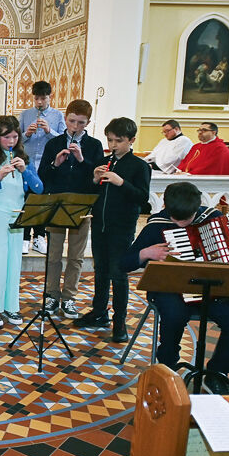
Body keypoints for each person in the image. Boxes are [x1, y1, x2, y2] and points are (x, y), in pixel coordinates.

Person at [121, 182, 229, 394]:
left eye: (187, 220)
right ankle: (168, 367)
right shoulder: (156, 226)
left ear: (198, 206)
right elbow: (123, 263)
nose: (181, 225)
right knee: (174, 316)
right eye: (176, 220)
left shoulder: (214, 219)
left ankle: (218, 373)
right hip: (170, 289)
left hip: (212, 289)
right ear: (166, 206)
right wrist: (146, 253)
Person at [74, 117, 152, 343]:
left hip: (122, 227)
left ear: (131, 140)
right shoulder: (105, 161)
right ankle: (99, 313)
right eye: (110, 140)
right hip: (100, 224)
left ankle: (120, 322)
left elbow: (142, 198)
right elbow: (93, 193)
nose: (114, 145)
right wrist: (94, 179)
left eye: (119, 140)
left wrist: (121, 183)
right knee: (101, 270)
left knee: (118, 275)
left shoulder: (139, 166)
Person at [37, 99, 104, 320]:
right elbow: (42, 175)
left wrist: (82, 160)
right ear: (65, 119)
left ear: (88, 123)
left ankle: (69, 297)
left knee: (76, 256)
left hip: (81, 205)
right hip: (57, 202)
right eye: (72, 121)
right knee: (54, 254)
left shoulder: (94, 146)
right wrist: (56, 163)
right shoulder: (54, 143)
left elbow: (98, 178)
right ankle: (52, 294)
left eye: (81, 123)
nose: (76, 126)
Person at [0, 116, 43, 328]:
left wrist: (26, 172)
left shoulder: (24, 158)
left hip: (17, 214)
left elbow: (39, 188)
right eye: (6, 137)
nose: (11, 141)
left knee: (14, 261)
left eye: (15, 136)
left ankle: (10, 305)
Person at [18, 81, 65, 254]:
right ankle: (24, 237)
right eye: (36, 98)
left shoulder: (58, 116)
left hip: (48, 165)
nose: (39, 102)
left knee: (43, 200)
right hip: (28, 164)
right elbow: (16, 140)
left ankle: (39, 237)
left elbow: (62, 140)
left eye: (43, 98)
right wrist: (27, 134)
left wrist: (48, 131)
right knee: (27, 200)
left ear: (49, 97)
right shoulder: (25, 115)